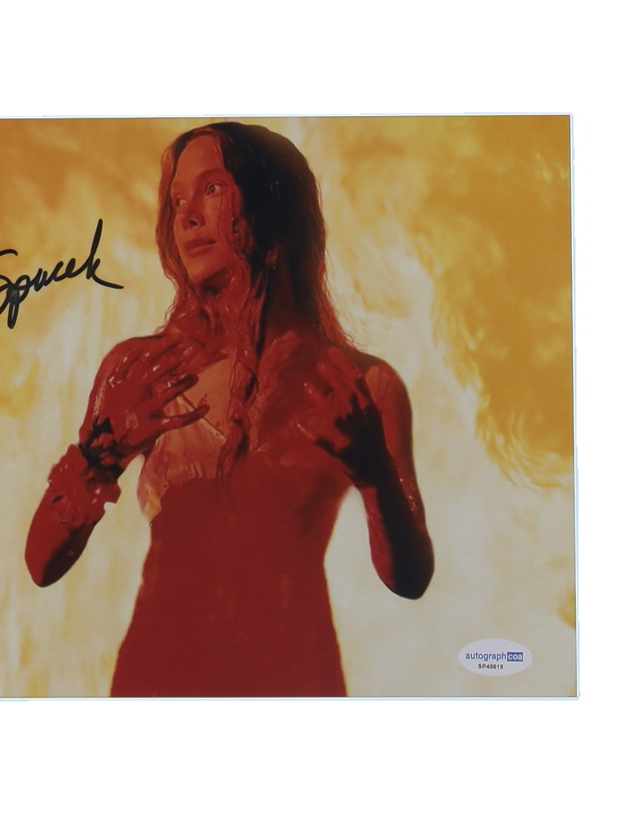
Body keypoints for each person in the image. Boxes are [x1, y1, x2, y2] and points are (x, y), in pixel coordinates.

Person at [25, 122, 434, 697]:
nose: (188, 216)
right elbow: (42, 565)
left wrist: (375, 478)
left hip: (293, 685)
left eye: (213, 188)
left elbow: (410, 579)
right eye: (176, 201)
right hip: (159, 686)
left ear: (273, 205)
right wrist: (97, 456)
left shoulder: (361, 386)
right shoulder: (141, 372)